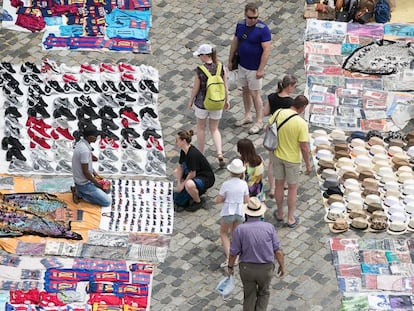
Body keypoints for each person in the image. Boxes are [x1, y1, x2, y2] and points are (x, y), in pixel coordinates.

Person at [228, 197, 285, 311]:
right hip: (265, 269)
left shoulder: (240, 229)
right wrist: (282, 266)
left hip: (247, 268)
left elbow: (234, 252)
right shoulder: (269, 228)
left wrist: (230, 266)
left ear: (246, 213)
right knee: (264, 293)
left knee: (249, 295)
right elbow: (278, 250)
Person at [268, 95, 312, 228]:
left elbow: (268, 127)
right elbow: (304, 147)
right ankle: (291, 218)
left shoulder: (279, 112)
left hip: (277, 154)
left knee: (279, 185)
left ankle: (280, 213)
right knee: (292, 188)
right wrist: (308, 165)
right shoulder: (301, 123)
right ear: (303, 107)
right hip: (292, 159)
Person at [228, 2, 271, 135]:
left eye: (255, 17)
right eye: (250, 17)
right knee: (245, 91)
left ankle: (259, 121)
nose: (253, 20)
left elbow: (266, 50)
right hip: (242, 65)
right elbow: (235, 41)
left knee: (255, 94)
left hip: (254, 68)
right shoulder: (240, 25)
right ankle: (247, 115)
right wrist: (230, 60)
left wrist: (261, 69)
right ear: (245, 15)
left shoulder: (263, 29)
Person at [189, 43, 230, 168]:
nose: (199, 57)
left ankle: (201, 154)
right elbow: (225, 86)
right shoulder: (220, 67)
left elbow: (196, 88)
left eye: (199, 55)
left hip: (202, 103)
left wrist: (191, 100)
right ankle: (219, 153)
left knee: (201, 128)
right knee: (215, 129)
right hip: (217, 102)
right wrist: (226, 100)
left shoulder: (200, 70)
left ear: (204, 55)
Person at [263, 74, 297, 199]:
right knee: (286, 160)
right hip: (285, 134)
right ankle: (286, 184)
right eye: (294, 86)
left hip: (273, 133)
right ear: (289, 86)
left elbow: (265, 112)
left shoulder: (271, 97)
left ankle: (272, 188)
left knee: (272, 162)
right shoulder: (290, 102)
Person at [216, 158, 249, 268]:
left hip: (228, 211)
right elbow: (246, 200)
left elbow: (218, 200)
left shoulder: (226, 184)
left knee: (224, 233)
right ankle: (236, 257)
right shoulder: (244, 184)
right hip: (240, 212)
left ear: (230, 172)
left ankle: (229, 257)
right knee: (235, 235)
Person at [174, 129, 215, 212]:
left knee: (188, 184)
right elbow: (180, 166)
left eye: (177, 140)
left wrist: (182, 185)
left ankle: (198, 202)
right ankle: (192, 191)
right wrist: (179, 183)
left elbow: (192, 174)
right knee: (176, 172)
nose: (175, 143)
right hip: (195, 173)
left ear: (184, 141)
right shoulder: (183, 151)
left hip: (205, 178)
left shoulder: (192, 154)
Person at [71, 125, 111, 207]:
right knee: (106, 202)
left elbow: (88, 166)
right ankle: (79, 193)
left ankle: (81, 190)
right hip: (84, 183)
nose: (97, 138)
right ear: (90, 137)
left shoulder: (82, 143)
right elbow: (85, 172)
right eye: (95, 136)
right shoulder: (84, 150)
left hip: (87, 180)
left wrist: (96, 175)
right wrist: (96, 183)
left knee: (108, 189)